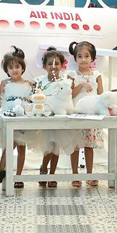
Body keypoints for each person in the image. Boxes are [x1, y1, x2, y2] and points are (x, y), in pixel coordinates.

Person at [35, 48, 76, 187]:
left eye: (57, 63)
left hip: (60, 120)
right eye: (50, 63)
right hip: (45, 120)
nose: (53, 66)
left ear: (62, 65)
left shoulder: (66, 81)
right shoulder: (40, 82)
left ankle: (52, 174)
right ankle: (43, 169)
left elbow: (67, 99)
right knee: (49, 146)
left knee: (56, 146)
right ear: (44, 66)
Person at [0, 47, 33, 186]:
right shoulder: (5, 83)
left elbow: (32, 101)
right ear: (6, 70)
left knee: (21, 146)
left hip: (23, 118)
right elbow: (0, 100)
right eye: (11, 67)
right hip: (8, 117)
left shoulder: (28, 84)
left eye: (17, 66)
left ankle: (19, 176)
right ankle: (1, 169)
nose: (14, 70)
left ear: (22, 68)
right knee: (9, 144)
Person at [68, 41, 103, 184]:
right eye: (80, 56)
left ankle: (89, 174)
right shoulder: (72, 75)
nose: (83, 59)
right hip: (76, 113)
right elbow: (69, 94)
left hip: (92, 115)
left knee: (89, 145)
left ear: (92, 58)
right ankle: (74, 175)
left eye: (87, 56)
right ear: (75, 58)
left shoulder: (97, 75)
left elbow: (101, 95)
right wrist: (81, 85)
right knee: (75, 145)